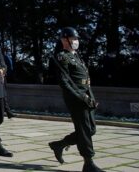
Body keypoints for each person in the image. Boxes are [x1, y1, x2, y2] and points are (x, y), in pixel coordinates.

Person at [48, 27, 104, 172]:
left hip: (87, 96)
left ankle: (59, 145)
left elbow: (85, 79)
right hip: (76, 98)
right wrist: (82, 97)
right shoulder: (61, 57)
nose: (76, 42)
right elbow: (65, 82)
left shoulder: (76, 56)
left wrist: (90, 97)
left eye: (77, 39)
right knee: (84, 130)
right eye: (73, 39)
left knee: (91, 130)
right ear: (64, 40)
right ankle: (88, 163)